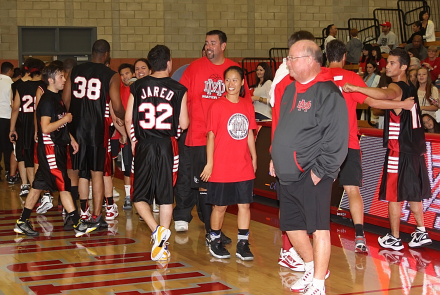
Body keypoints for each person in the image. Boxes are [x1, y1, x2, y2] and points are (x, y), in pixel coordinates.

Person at [271, 39, 349, 295]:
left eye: (291, 58)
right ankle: (310, 268)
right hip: (287, 172)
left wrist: (321, 170)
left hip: (312, 172)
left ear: (309, 60)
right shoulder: (290, 90)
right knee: (291, 226)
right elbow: (283, 129)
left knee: (319, 229)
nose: (287, 63)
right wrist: (275, 156)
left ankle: (318, 285)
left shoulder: (328, 92)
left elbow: (337, 138)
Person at [326, 39, 414, 254]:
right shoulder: (352, 78)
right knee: (352, 190)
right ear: (345, 56)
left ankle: (315, 232)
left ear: (326, 55)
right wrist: (401, 104)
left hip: (321, 144)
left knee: (318, 188)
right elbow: (374, 103)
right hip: (348, 143)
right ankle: (359, 235)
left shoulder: (316, 77)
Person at [343, 48, 432, 251]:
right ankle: (421, 230)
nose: (388, 66)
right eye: (388, 62)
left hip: (398, 148)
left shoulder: (397, 86)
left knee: (394, 193)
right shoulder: (410, 86)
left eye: (392, 63)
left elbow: (384, 94)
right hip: (415, 148)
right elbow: (380, 105)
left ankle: (394, 236)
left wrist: (358, 88)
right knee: (413, 192)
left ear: (403, 67)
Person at [175, 30, 249, 244]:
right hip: (199, 135)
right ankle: (211, 230)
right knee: (204, 185)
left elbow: (243, 106)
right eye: (207, 43)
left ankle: (213, 229)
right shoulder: (194, 68)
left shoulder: (233, 69)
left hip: (227, 141)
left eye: (213, 43)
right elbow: (182, 97)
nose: (209, 46)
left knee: (219, 187)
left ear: (223, 46)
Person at [14, 63, 99, 237]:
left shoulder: (56, 97)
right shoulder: (46, 101)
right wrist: (66, 119)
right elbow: (45, 128)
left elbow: (59, 124)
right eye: (61, 77)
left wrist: (71, 139)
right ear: (51, 79)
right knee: (63, 184)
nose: (64, 80)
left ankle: (22, 221)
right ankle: (77, 223)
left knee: (38, 186)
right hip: (49, 149)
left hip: (57, 147)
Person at [125, 45, 189, 261]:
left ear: (150, 64)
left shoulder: (137, 86)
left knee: (138, 197)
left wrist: (134, 140)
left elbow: (127, 118)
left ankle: (157, 232)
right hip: (166, 145)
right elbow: (184, 123)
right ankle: (161, 239)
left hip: (143, 144)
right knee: (165, 196)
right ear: (169, 63)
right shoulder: (179, 88)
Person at [62, 39, 125, 229]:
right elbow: (116, 105)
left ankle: (78, 213)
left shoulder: (75, 70)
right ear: (106, 54)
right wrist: (123, 116)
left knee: (78, 173)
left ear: (92, 52)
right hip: (97, 130)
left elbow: (65, 100)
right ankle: (97, 217)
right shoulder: (111, 75)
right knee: (96, 173)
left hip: (76, 128)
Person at [200, 66, 257, 260]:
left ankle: (243, 243)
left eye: (235, 80)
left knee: (245, 205)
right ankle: (214, 239)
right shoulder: (217, 106)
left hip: (242, 165)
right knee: (220, 206)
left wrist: (254, 157)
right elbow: (211, 136)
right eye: (227, 80)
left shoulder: (247, 105)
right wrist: (209, 164)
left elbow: (249, 132)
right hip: (222, 165)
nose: (230, 84)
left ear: (242, 83)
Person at [10, 58, 46, 197]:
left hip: (25, 125)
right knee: (40, 157)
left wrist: (12, 128)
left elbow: (15, 109)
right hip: (41, 123)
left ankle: (32, 187)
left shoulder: (21, 87)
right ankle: (42, 190)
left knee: (28, 158)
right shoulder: (44, 86)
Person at [118, 63, 135, 210]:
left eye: (127, 73)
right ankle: (128, 197)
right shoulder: (119, 90)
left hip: (141, 134)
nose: (125, 77)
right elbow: (119, 115)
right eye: (122, 74)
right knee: (127, 167)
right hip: (126, 135)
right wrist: (123, 133)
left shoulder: (138, 88)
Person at [0, 62, 14, 179]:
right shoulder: (11, 84)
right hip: (5, 117)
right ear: (10, 70)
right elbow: (12, 104)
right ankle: (9, 170)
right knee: (7, 146)